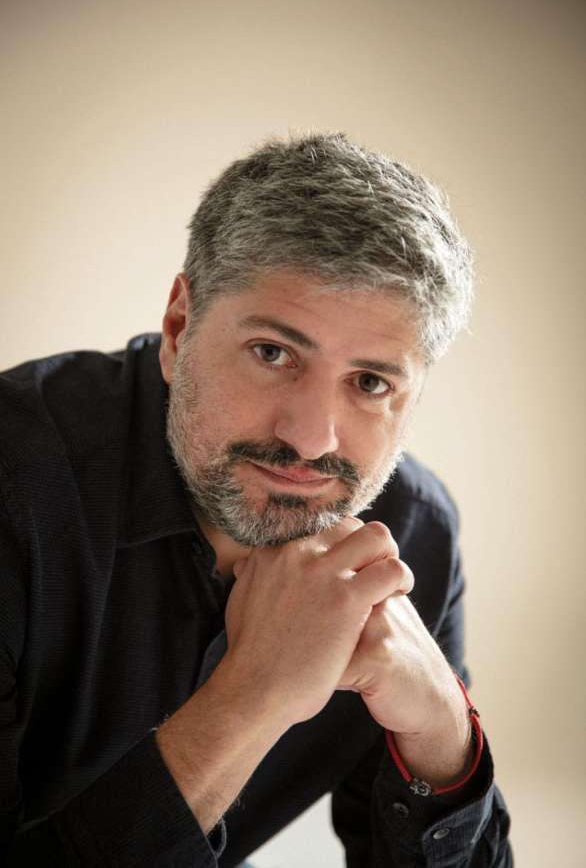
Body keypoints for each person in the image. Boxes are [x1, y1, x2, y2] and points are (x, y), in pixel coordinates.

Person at [0, 132, 513, 866]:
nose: (310, 439)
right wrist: (253, 697)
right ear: (179, 326)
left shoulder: (412, 532)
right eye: (274, 353)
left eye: (371, 382)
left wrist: (443, 732)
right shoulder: (14, 478)